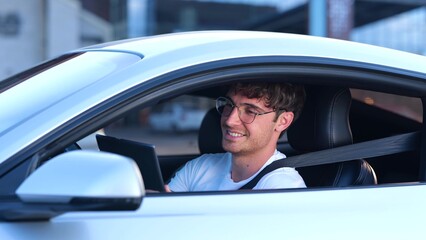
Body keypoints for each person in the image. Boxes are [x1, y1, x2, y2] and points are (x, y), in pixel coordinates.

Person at [166, 82, 306, 192]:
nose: (229, 121)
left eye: (250, 111)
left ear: (283, 121)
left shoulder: (283, 188)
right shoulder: (199, 167)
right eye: (229, 105)